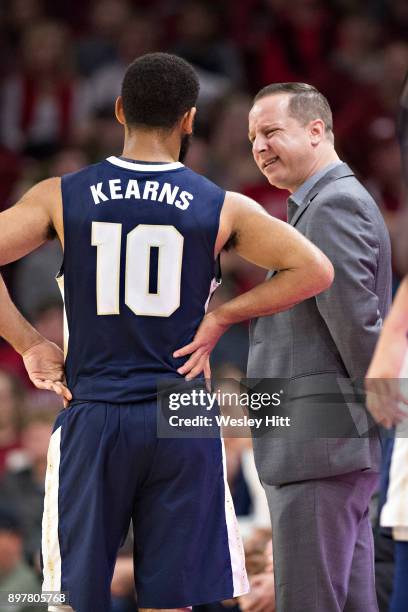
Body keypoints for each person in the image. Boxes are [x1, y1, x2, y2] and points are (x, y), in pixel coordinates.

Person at [0, 54, 333, 612]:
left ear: (119, 110)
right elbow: (316, 270)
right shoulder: (221, 204)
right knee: (173, 599)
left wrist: (29, 342)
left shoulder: (61, 194)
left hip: (96, 408)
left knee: (68, 596)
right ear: (189, 120)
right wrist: (223, 315)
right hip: (180, 413)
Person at [182, 82, 391, 611]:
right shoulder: (320, 204)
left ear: (317, 130)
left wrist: (382, 402)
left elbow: (356, 322)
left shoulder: (331, 206)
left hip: (319, 445)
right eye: (254, 137)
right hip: (330, 442)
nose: (259, 146)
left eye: (272, 131)